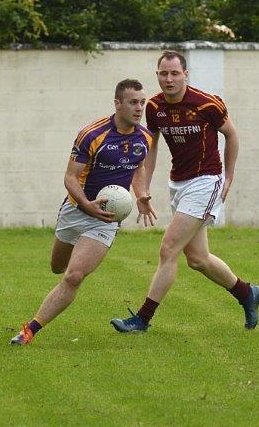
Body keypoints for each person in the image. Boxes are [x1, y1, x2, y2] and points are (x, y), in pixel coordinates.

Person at [111, 51, 259, 333]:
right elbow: (151, 146)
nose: (169, 79)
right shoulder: (154, 107)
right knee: (198, 259)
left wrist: (229, 176)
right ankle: (247, 293)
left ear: (185, 74)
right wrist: (143, 189)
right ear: (157, 75)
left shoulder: (207, 103)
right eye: (163, 74)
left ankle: (142, 319)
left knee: (168, 249)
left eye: (174, 73)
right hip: (178, 183)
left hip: (206, 181)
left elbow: (231, 134)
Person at [10, 79, 153, 345]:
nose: (139, 108)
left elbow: (138, 166)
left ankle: (30, 329)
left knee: (74, 275)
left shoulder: (144, 137)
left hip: (106, 220)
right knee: (57, 267)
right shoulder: (92, 134)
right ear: (118, 103)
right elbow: (70, 177)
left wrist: (141, 194)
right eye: (133, 102)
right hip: (76, 211)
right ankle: (63, 263)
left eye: (142, 102)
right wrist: (87, 204)